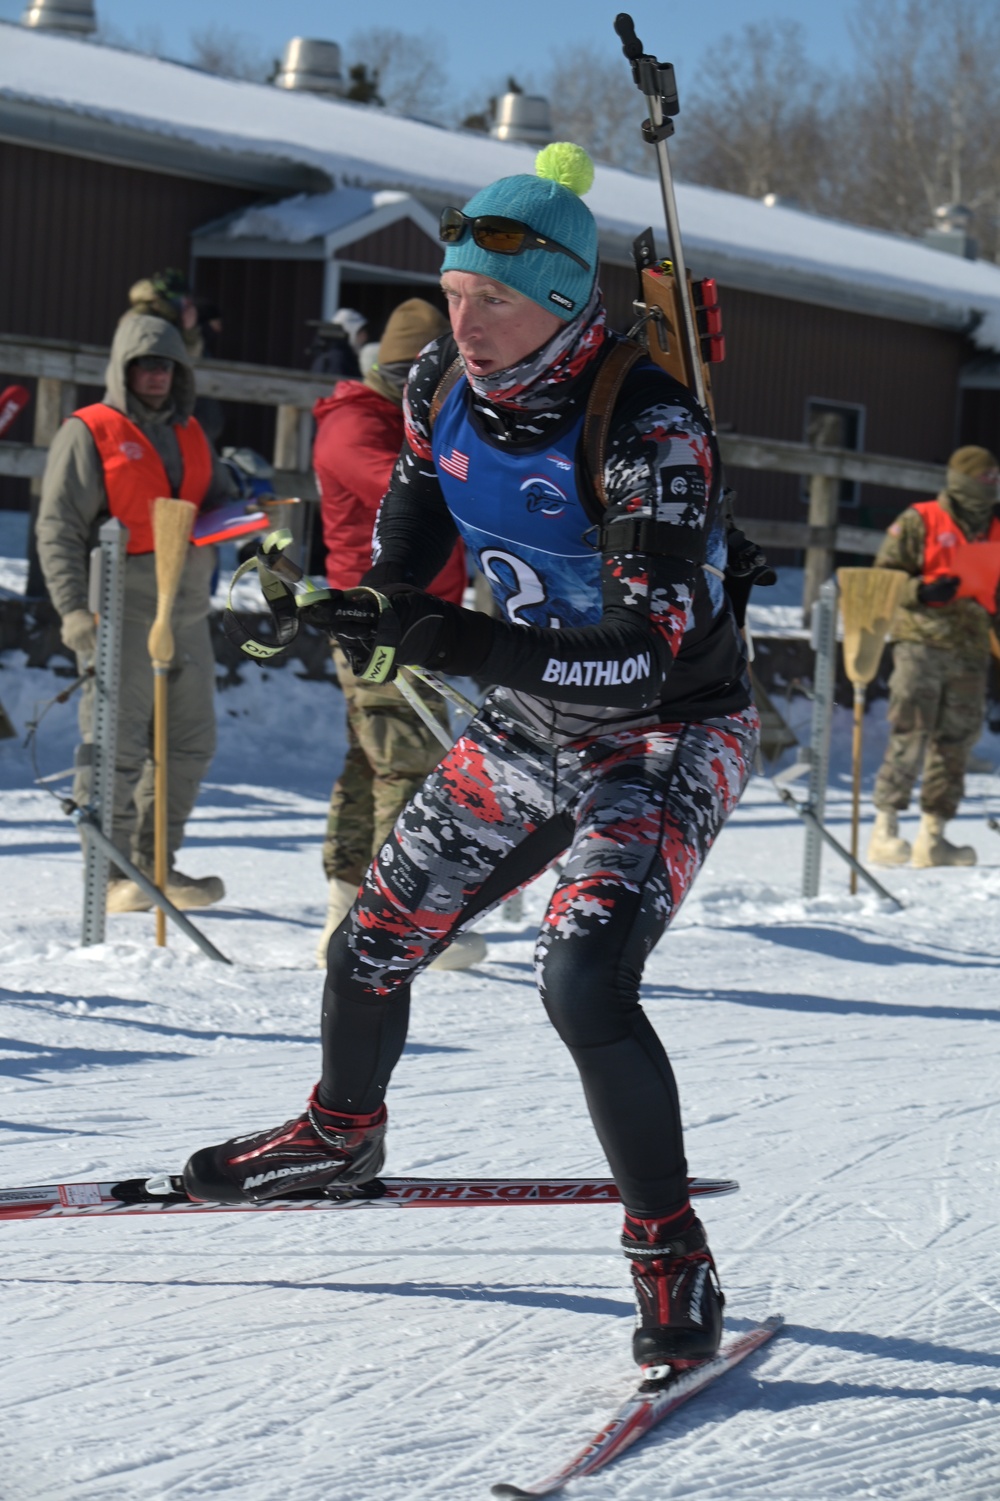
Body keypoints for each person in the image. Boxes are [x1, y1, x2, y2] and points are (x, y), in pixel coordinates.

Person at [184, 145, 758, 1374]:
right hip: (524, 717)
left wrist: (448, 636)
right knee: (374, 935)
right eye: (451, 293)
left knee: (582, 979)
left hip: (660, 731)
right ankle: (340, 1133)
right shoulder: (442, 375)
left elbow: (648, 655)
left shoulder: (648, 424)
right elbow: (418, 505)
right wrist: (377, 604)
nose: (465, 320)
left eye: (494, 299)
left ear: (562, 300)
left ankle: (668, 1242)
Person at [37, 313, 234, 912]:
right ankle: (111, 872)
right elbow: (58, 528)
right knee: (115, 746)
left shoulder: (192, 431)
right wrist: (73, 610)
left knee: (188, 742)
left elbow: (213, 498)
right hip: (118, 602)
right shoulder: (89, 431)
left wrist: (244, 499)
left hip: (188, 603)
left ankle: (156, 865)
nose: (155, 374)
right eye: (144, 364)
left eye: (166, 364)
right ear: (123, 369)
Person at [312, 296, 486, 972]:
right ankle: (402, 922)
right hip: (374, 621)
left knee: (375, 761)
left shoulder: (406, 418)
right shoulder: (354, 424)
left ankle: (347, 906)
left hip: (422, 622)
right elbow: (409, 496)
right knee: (409, 764)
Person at [867, 444, 1000, 869]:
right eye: (986, 478)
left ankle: (933, 837)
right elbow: (883, 576)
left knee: (956, 741)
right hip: (920, 642)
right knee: (911, 731)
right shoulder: (920, 518)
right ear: (962, 480)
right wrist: (918, 590)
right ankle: (884, 832)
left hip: (972, 646)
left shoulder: (997, 526)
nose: (992, 485)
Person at [307, 308, 369, 379]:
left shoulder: (326, 354)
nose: (365, 337)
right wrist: (376, 366)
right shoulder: (340, 359)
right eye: (361, 332)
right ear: (350, 332)